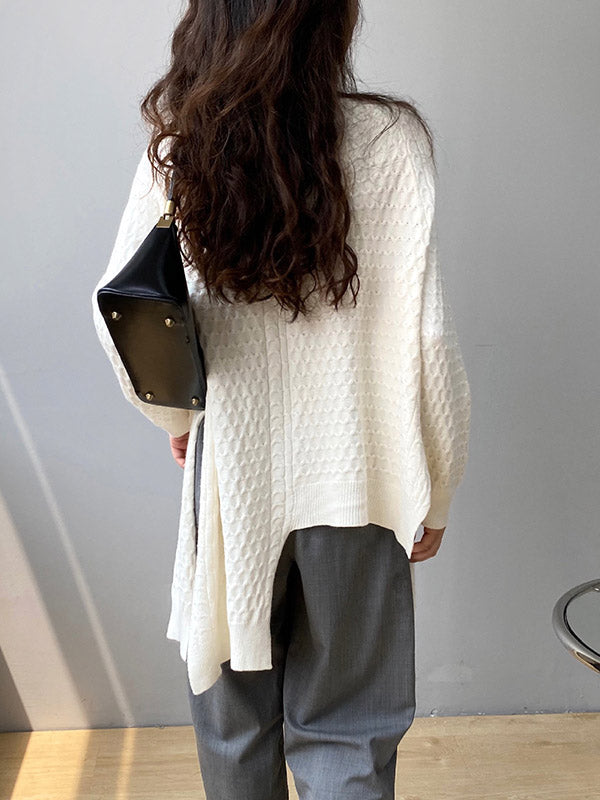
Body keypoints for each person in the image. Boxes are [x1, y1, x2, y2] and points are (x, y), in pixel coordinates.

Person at [91, 1, 471, 798]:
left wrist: (179, 417)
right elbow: (429, 344)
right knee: (350, 734)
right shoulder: (392, 141)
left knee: (235, 731)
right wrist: (435, 488)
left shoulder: (183, 146)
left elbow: (123, 311)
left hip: (233, 486)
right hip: (360, 484)